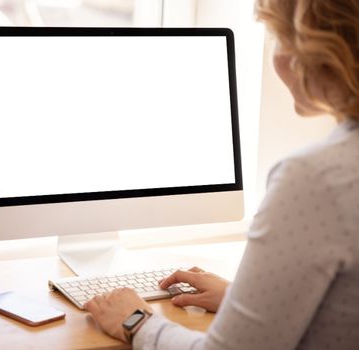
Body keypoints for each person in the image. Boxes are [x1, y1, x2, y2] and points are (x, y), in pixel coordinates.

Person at [84, 0, 359, 349]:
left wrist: (136, 320)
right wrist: (241, 300)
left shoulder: (314, 180)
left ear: (316, 50)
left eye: (280, 40)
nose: (277, 59)